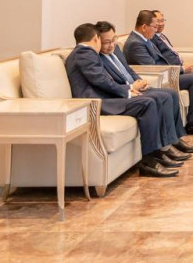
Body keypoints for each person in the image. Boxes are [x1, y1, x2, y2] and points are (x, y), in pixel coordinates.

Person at [64, 23, 178, 177]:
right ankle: (148, 163)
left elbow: (104, 80)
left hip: (103, 98)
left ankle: (158, 153)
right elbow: (101, 80)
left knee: (153, 99)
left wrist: (129, 89)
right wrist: (127, 90)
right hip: (96, 103)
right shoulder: (85, 53)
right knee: (147, 103)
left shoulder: (83, 53)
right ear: (96, 38)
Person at [96, 20, 193, 160]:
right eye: (106, 42)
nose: (111, 45)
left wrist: (140, 81)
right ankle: (164, 148)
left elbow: (128, 70)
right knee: (160, 98)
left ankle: (175, 139)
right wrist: (131, 88)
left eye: (113, 40)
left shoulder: (116, 50)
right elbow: (109, 83)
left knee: (171, 94)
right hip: (127, 92)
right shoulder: (97, 58)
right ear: (97, 41)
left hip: (135, 86)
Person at [124, 10, 193, 135]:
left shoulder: (144, 39)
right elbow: (153, 68)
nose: (156, 30)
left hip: (167, 72)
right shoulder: (136, 43)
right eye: (154, 26)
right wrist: (180, 69)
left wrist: (178, 68)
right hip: (160, 78)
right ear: (144, 27)